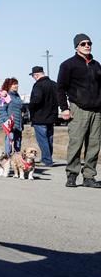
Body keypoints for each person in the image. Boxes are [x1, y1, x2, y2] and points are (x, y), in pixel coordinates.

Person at [56, 34, 101, 188]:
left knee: (94, 144)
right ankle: (72, 175)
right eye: (83, 44)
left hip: (97, 110)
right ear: (76, 47)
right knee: (76, 142)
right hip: (78, 109)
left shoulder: (96, 65)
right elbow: (60, 88)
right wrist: (64, 108)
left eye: (89, 43)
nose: (87, 46)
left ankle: (89, 176)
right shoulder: (68, 65)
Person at [27, 65, 59, 166]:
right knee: (49, 138)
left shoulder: (38, 85)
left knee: (42, 139)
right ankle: (48, 157)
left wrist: (30, 107)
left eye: (33, 76)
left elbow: (37, 99)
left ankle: (46, 160)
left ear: (36, 75)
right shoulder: (54, 84)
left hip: (40, 117)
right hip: (52, 116)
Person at [0, 77, 23, 174]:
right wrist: (6, 121)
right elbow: (2, 110)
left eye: (17, 84)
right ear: (9, 85)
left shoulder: (17, 96)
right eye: (13, 84)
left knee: (17, 144)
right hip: (9, 124)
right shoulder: (5, 96)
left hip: (18, 124)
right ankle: (6, 163)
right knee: (9, 144)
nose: (16, 86)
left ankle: (16, 164)